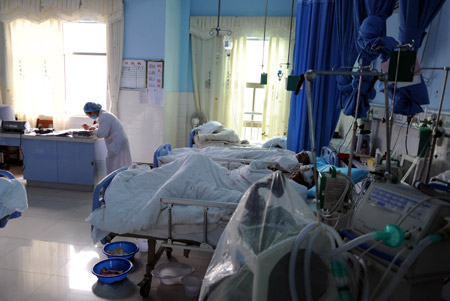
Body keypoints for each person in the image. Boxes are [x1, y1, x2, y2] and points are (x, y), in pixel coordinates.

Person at [82, 102, 132, 174]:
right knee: (121, 164)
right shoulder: (104, 115)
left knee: (115, 165)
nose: (89, 117)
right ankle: (119, 181)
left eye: (88, 115)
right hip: (119, 142)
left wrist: (92, 129)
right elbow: (101, 125)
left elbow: (102, 133)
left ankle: (114, 183)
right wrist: (92, 127)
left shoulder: (104, 117)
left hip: (116, 144)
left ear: (92, 112)